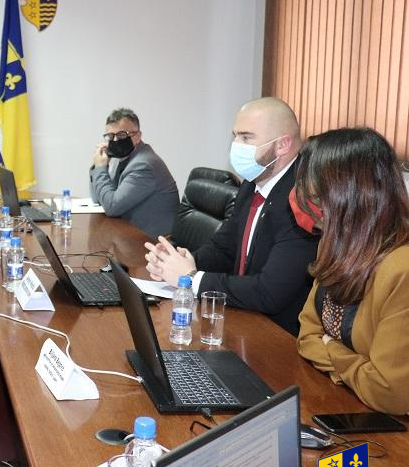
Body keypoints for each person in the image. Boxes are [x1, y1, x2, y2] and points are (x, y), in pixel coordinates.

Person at [144, 97, 319, 334]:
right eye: (235, 136)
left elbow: (269, 292)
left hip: (279, 335)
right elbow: (224, 248)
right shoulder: (252, 185)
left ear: (282, 145)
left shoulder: (303, 199)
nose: (235, 145)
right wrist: (183, 261)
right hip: (242, 318)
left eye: (246, 138)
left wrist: (191, 278)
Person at [295, 128, 409, 414]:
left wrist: (328, 347)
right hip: (343, 401)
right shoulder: (336, 245)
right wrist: (354, 367)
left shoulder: (401, 269)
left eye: (320, 202)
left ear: (352, 196)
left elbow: (388, 392)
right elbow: (306, 335)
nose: (314, 212)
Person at [88, 108, 179, 238]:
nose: (115, 141)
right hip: (130, 234)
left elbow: (112, 207)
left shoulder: (143, 165)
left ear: (137, 136)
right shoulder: (123, 157)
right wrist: (99, 166)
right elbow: (99, 199)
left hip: (153, 242)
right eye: (110, 136)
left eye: (121, 135)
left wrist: (100, 169)